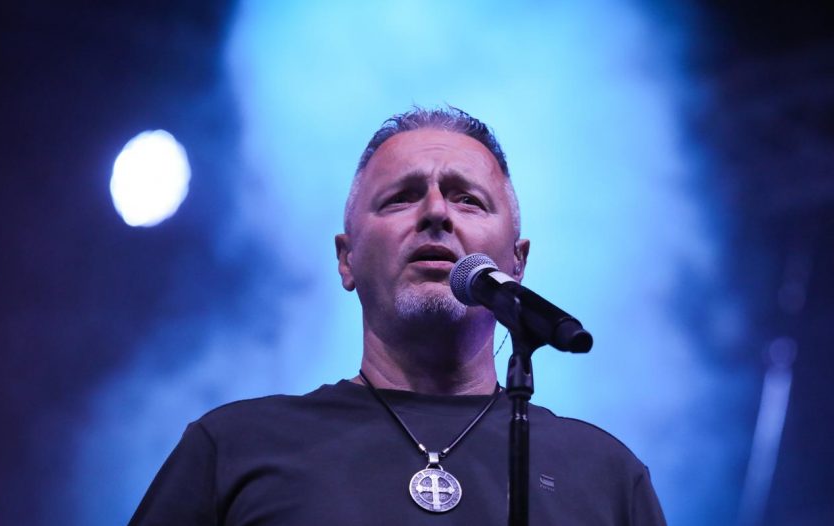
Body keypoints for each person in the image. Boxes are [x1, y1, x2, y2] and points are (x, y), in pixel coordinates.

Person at [129, 107, 667, 525]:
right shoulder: (235, 447)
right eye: (401, 198)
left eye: (468, 199)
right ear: (347, 259)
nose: (436, 212)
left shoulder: (606, 474)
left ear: (517, 262)